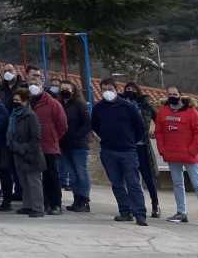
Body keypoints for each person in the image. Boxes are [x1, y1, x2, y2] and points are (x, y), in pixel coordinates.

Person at [91, 78, 149, 226]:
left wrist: (131, 141)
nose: (107, 92)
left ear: (116, 90)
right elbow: (95, 126)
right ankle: (125, 211)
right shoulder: (98, 108)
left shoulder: (128, 107)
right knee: (117, 184)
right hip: (108, 151)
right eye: (104, 89)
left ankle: (140, 214)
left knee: (133, 184)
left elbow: (140, 127)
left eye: (110, 88)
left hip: (128, 151)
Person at [154, 86, 198, 227]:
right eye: (170, 94)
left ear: (180, 95)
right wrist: (162, 150)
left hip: (189, 156)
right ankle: (181, 212)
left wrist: (192, 150)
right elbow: (159, 132)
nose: (172, 96)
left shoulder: (192, 112)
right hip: (172, 156)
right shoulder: (163, 112)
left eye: (175, 94)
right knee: (178, 184)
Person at [28, 74, 68, 216]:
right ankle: (43, 203)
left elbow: (62, 125)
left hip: (49, 145)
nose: (33, 86)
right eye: (30, 83)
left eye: (36, 83)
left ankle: (56, 204)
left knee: (52, 175)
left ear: (42, 85)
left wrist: (53, 137)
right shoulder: (28, 103)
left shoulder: (53, 103)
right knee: (38, 177)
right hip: (33, 146)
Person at [123, 82, 162, 218]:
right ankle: (134, 206)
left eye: (133, 89)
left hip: (142, 146)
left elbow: (159, 121)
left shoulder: (145, 106)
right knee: (130, 179)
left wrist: (155, 131)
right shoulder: (121, 105)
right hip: (127, 146)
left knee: (147, 177)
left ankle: (155, 204)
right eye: (127, 89)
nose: (130, 91)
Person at [8, 86, 45, 218]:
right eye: (14, 100)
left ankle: (38, 208)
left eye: (17, 100)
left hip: (30, 154)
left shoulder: (30, 116)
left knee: (33, 182)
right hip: (18, 153)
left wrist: (22, 148)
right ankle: (27, 205)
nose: (15, 102)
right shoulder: (14, 115)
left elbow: (36, 138)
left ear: (25, 101)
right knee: (24, 181)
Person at [59, 82, 92, 213]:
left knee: (81, 173)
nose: (64, 91)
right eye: (62, 89)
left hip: (78, 145)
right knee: (72, 175)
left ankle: (84, 200)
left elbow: (87, 124)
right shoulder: (60, 104)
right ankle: (76, 199)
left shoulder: (79, 104)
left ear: (73, 90)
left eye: (67, 89)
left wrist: (77, 136)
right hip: (64, 145)